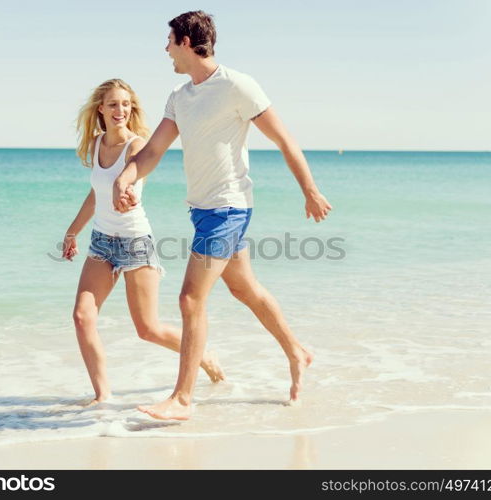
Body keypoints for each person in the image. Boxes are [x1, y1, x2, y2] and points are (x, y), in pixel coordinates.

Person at [113, 11, 333, 420]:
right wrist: (126, 177)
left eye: (169, 41)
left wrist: (311, 191)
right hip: (203, 210)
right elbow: (153, 150)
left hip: (229, 208)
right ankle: (297, 352)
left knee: (190, 298)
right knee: (245, 289)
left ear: (187, 41)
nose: (165, 50)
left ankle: (181, 399)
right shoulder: (180, 96)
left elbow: (284, 138)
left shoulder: (236, 86)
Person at [63, 79, 225, 405]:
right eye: (112, 104)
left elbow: (132, 178)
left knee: (147, 329)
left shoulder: (137, 146)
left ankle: (202, 356)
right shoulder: (95, 145)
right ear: (101, 108)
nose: (120, 110)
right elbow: (96, 195)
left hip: (135, 241)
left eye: (125, 104)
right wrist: (72, 232)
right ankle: (103, 395)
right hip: (101, 243)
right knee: (82, 317)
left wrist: (125, 193)